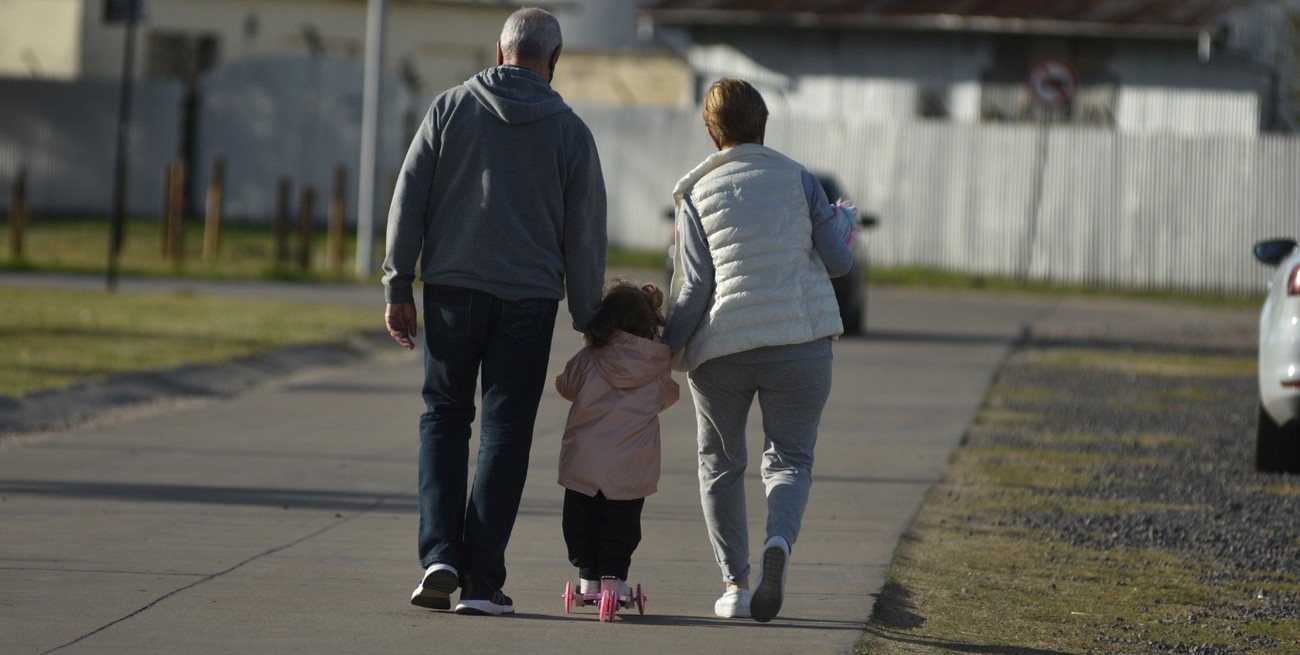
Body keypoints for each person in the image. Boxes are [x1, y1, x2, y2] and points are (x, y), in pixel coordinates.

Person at [382, 7, 607, 617]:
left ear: (499, 49)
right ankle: (481, 583)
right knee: (505, 435)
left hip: (452, 291)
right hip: (529, 302)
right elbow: (584, 236)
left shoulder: (450, 108)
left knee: (445, 418)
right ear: (553, 62)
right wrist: (590, 318)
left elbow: (410, 198)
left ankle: (439, 558)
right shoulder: (571, 132)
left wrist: (398, 283)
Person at [662, 78, 855, 623]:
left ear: (710, 130)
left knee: (720, 463)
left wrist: (666, 350)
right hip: (800, 342)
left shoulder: (697, 194)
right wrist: (840, 224)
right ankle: (779, 544)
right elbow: (838, 263)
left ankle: (734, 585)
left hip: (722, 348)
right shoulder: (800, 179)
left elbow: (693, 288)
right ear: (763, 124)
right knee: (790, 460)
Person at [555, 279, 680, 598]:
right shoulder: (655, 366)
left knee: (581, 523)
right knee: (621, 526)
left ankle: (588, 578)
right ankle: (614, 576)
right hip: (630, 466)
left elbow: (566, 386)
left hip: (585, 462)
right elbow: (667, 398)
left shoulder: (589, 358)